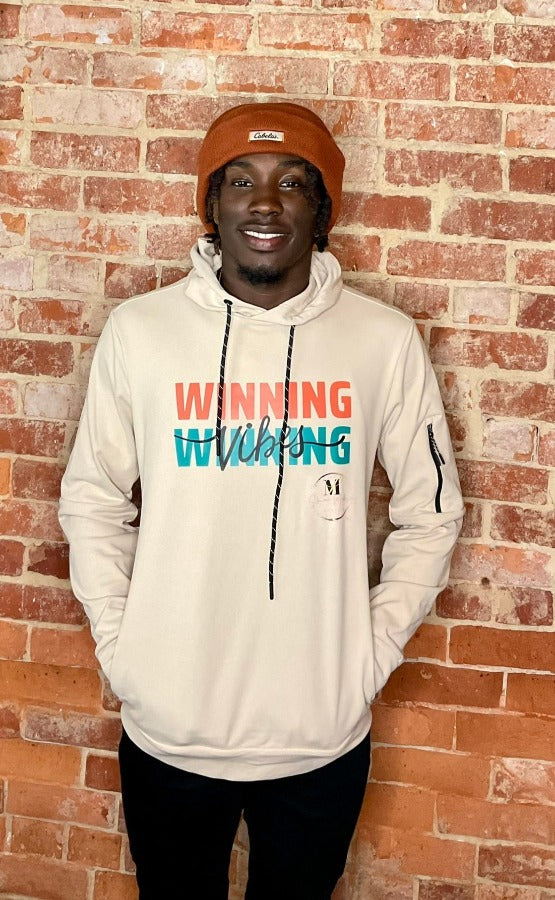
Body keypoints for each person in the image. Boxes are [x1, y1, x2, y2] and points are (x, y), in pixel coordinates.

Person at [59, 102, 464, 899]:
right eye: (241, 181)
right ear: (212, 205)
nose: (266, 204)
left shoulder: (381, 340)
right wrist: (122, 647)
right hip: (169, 730)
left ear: (322, 208)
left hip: (319, 736)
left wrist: (369, 653)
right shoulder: (141, 332)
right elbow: (94, 499)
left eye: (293, 183)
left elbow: (431, 512)